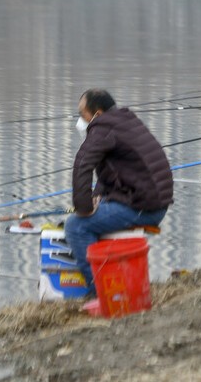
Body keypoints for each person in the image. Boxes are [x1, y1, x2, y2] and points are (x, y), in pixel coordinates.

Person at [66, 89, 173, 300]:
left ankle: (99, 292)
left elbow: (82, 166)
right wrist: (96, 196)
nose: (80, 119)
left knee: (76, 226)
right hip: (152, 201)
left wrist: (84, 208)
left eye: (82, 113)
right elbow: (110, 173)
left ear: (96, 113)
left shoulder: (102, 128)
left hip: (143, 207)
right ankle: (112, 277)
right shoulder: (124, 121)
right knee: (90, 215)